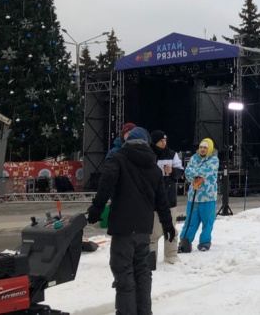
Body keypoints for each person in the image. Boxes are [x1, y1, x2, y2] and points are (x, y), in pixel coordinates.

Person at [87, 127, 174, 315]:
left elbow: (106, 183)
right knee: (142, 270)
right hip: (143, 228)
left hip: (123, 227)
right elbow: (162, 200)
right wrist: (168, 225)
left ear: (128, 142)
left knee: (123, 272)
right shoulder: (154, 167)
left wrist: (97, 208)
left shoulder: (118, 158)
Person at [148, 130, 183, 266]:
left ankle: (171, 254)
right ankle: (151, 257)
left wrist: (172, 171)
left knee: (171, 227)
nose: (164, 143)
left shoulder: (172, 154)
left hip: (169, 198)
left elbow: (180, 171)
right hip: (153, 199)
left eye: (165, 140)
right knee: (154, 231)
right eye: (161, 141)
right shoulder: (149, 154)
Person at [181, 138, 219, 252]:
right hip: (194, 197)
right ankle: (185, 242)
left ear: (210, 149)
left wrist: (195, 172)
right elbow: (187, 172)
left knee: (207, 222)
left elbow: (206, 171)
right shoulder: (194, 158)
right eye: (201, 147)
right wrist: (196, 173)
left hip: (208, 197)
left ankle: (204, 242)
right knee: (190, 221)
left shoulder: (214, 160)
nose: (202, 149)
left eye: (205, 148)